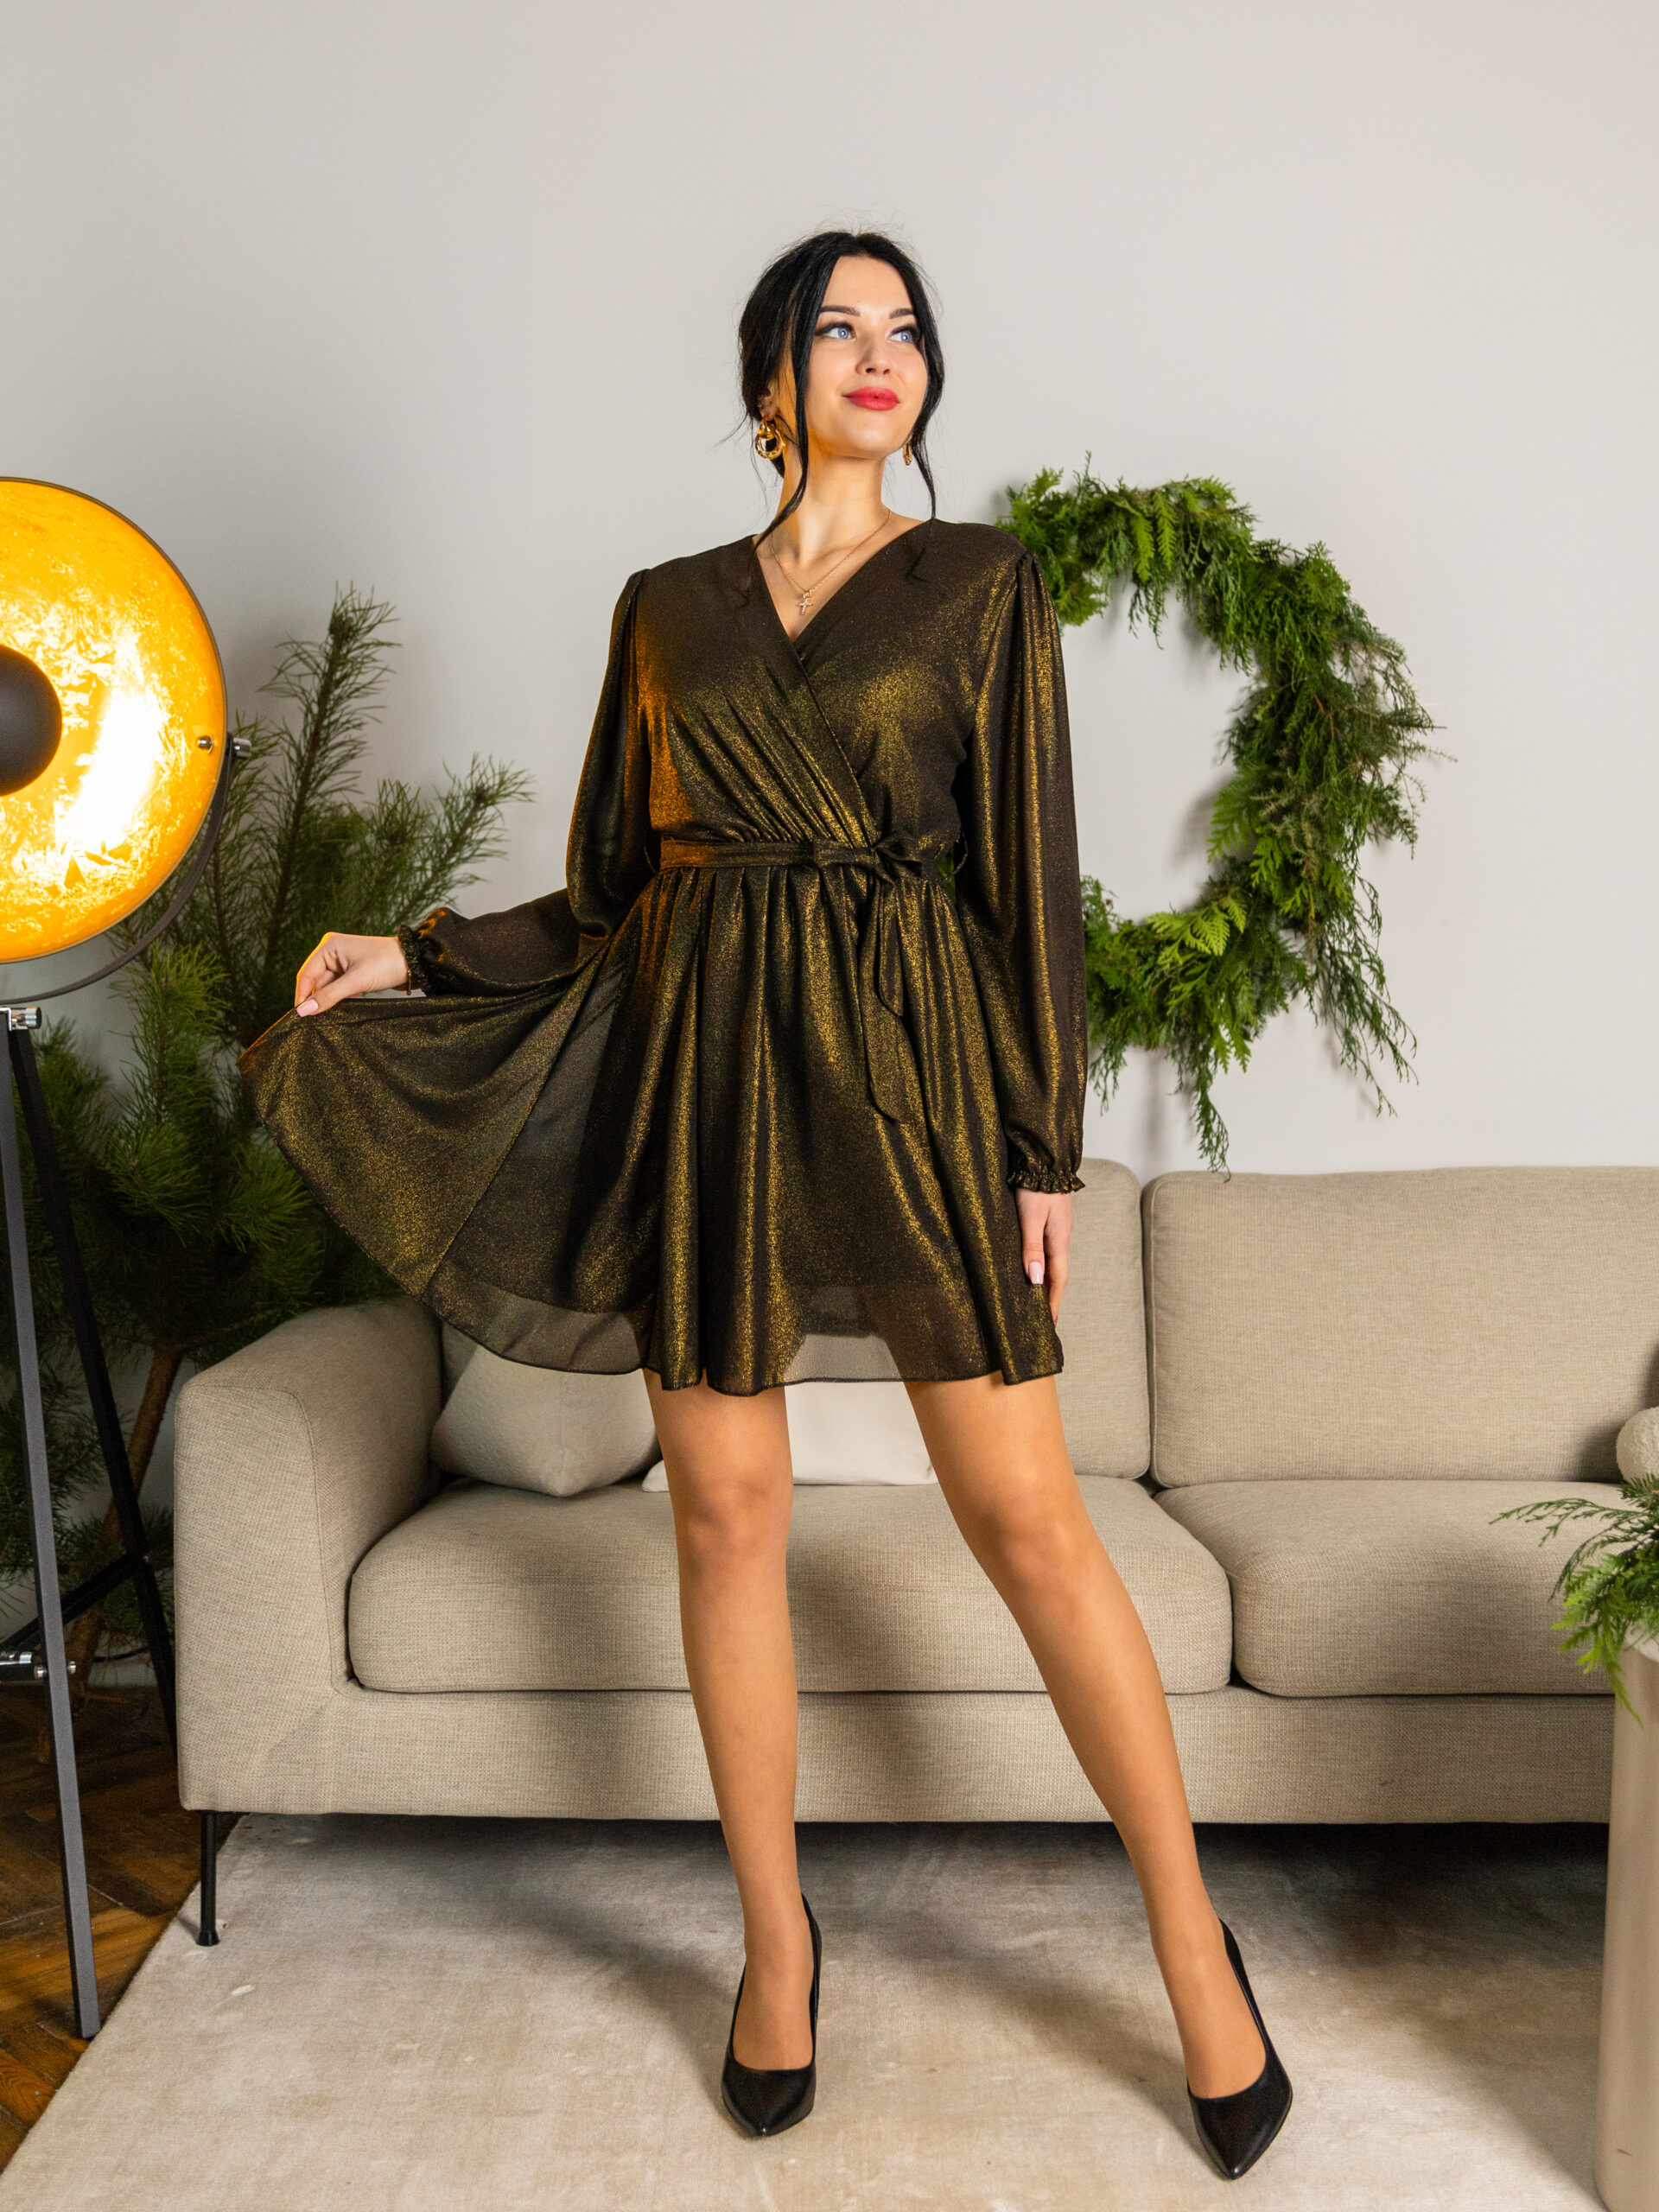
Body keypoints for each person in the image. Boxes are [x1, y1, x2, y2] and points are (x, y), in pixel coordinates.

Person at [238, 226, 1292, 2181]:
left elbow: (1030, 880)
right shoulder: (666, 609)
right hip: (709, 1079)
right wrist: (417, 950)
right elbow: (613, 891)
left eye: (908, 330)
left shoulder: (984, 586)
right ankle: (779, 1943)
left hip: (911, 1071)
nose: (881, 355)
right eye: (839, 326)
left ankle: (1189, 1945)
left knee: (1030, 1520)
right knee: (725, 1515)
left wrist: (1042, 1144)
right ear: (771, 378)